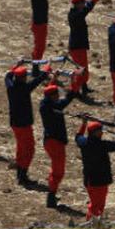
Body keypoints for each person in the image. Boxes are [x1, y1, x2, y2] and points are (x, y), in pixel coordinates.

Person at [75, 118, 115, 227]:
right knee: (98, 205)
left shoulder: (84, 143)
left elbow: (78, 136)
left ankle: (93, 224)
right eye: (100, 131)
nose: (102, 132)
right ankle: (92, 225)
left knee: (94, 203)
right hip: (100, 181)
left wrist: (83, 124)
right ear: (95, 133)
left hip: (88, 180)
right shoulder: (102, 145)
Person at [6, 64, 49, 186]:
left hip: (14, 123)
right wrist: (45, 72)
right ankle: (23, 176)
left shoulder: (10, 86)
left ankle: (20, 173)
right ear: (23, 77)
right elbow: (36, 82)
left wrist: (15, 67)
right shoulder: (24, 88)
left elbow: (7, 76)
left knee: (20, 148)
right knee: (29, 150)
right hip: (24, 124)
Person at [40, 79, 75, 209]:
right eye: (56, 94)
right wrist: (72, 92)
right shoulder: (54, 106)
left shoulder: (45, 103)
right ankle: (51, 197)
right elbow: (64, 102)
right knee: (58, 172)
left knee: (55, 171)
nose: (58, 96)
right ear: (52, 96)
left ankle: (52, 194)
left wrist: (53, 79)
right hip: (56, 143)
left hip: (50, 141)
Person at [68, 0, 99, 98]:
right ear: (78, 5)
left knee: (83, 67)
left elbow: (85, 8)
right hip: (77, 46)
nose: (84, 4)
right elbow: (86, 9)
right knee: (80, 69)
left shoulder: (74, 12)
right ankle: (75, 91)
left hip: (78, 45)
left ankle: (83, 87)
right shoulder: (77, 15)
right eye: (82, 3)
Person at [29, 0, 56, 76]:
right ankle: (35, 69)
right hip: (40, 24)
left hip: (39, 23)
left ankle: (35, 66)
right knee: (40, 47)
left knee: (38, 46)